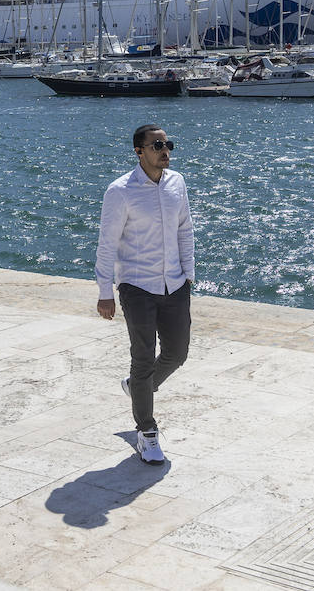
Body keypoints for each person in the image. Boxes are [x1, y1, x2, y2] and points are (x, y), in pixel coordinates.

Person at [95, 124, 195, 465]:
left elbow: (185, 229)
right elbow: (107, 243)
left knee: (177, 353)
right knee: (142, 357)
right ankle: (147, 431)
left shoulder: (177, 183)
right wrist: (105, 291)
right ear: (139, 151)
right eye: (157, 145)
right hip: (137, 286)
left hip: (175, 284)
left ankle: (137, 386)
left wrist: (189, 275)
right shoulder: (120, 191)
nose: (165, 150)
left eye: (168, 144)